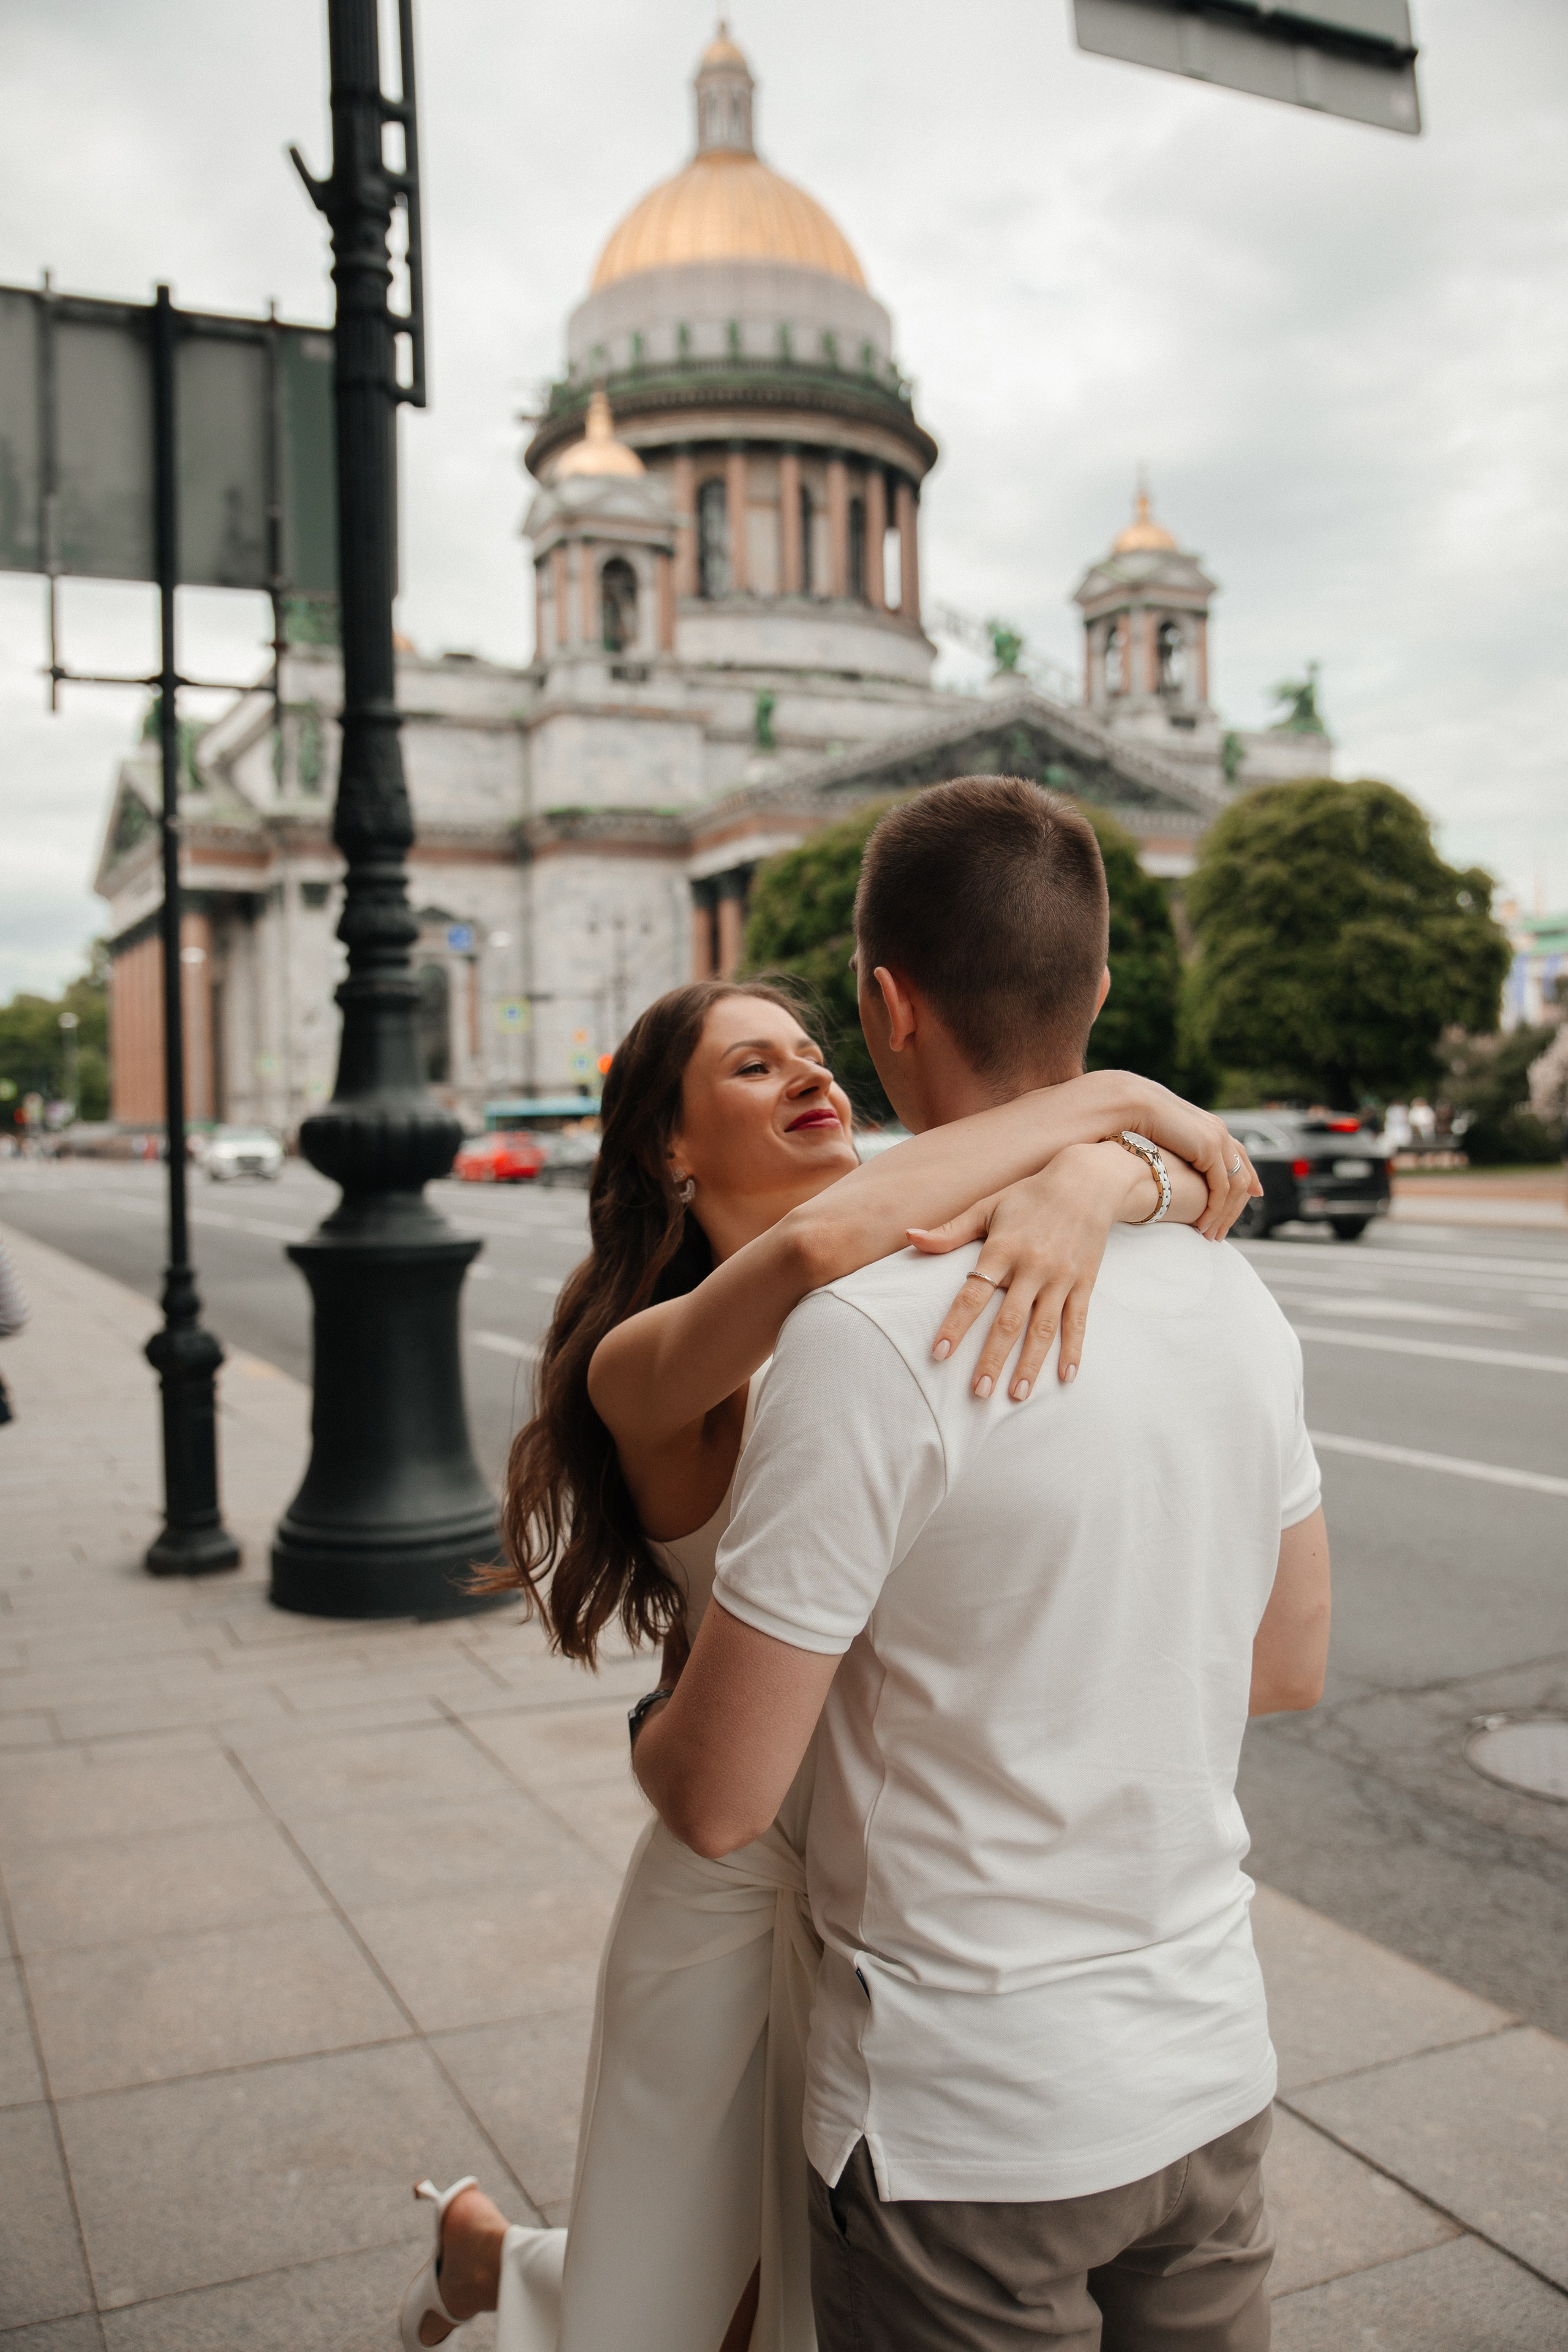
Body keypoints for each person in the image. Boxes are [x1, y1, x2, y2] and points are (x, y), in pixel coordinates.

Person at [402, 931, 1257, 2350]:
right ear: (671, 1150)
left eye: (809, 1048)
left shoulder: (922, 1250)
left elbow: (1210, 1196)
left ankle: (491, 2264)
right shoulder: (648, 1361)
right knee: (686, 2299)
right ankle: (506, 2276)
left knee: (805, 2303)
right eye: (751, 1064)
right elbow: (810, 1250)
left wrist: (1107, 1175)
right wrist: (1109, 1104)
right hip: (744, 1884)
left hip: (913, 1883)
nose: (807, 1069)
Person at [636, 777, 1332, 2351]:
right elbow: (1285, 1667)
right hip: (1206, 2065)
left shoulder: (865, 1344)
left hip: (968, 2124)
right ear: (1095, 990)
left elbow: (719, 1798)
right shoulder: (1238, 1304)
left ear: (883, 1005)